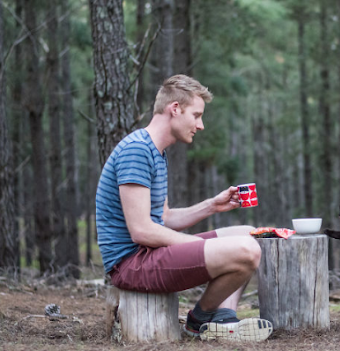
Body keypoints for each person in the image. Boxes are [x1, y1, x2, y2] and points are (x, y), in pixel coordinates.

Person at [95, 74, 273, 342]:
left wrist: (212, 206)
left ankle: (223, 319)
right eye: (197, 115)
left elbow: (163, 218)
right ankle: (199, 321)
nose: (200, 125)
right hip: (131, 264)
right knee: (247, 251)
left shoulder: (156, 151)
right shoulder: (137, 151)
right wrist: (194, 246)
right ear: (175, 109)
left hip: (150, 254)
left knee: (250, 234)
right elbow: (141, 231)